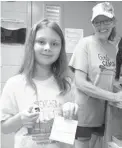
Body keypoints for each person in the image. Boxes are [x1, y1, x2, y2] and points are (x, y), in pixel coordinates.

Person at [0, 18, 78, 148]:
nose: (47, 48)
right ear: (31, 45)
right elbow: (4, 128)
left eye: (54, 44)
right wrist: (21, 119)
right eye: (41, 42)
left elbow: (70, 133)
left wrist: (72, 115)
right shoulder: (14, 84)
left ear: (60, 49)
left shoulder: (67, 85)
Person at [69, 2, 122, 148]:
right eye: (97, 22)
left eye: (106, 21)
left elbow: (111, 79)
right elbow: (80, 82)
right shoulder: (84, 44)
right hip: (84, 115)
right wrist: (114, 97)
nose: (102, 26)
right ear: (92, 24)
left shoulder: (113, 49)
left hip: (104, 114)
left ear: (113, 22)